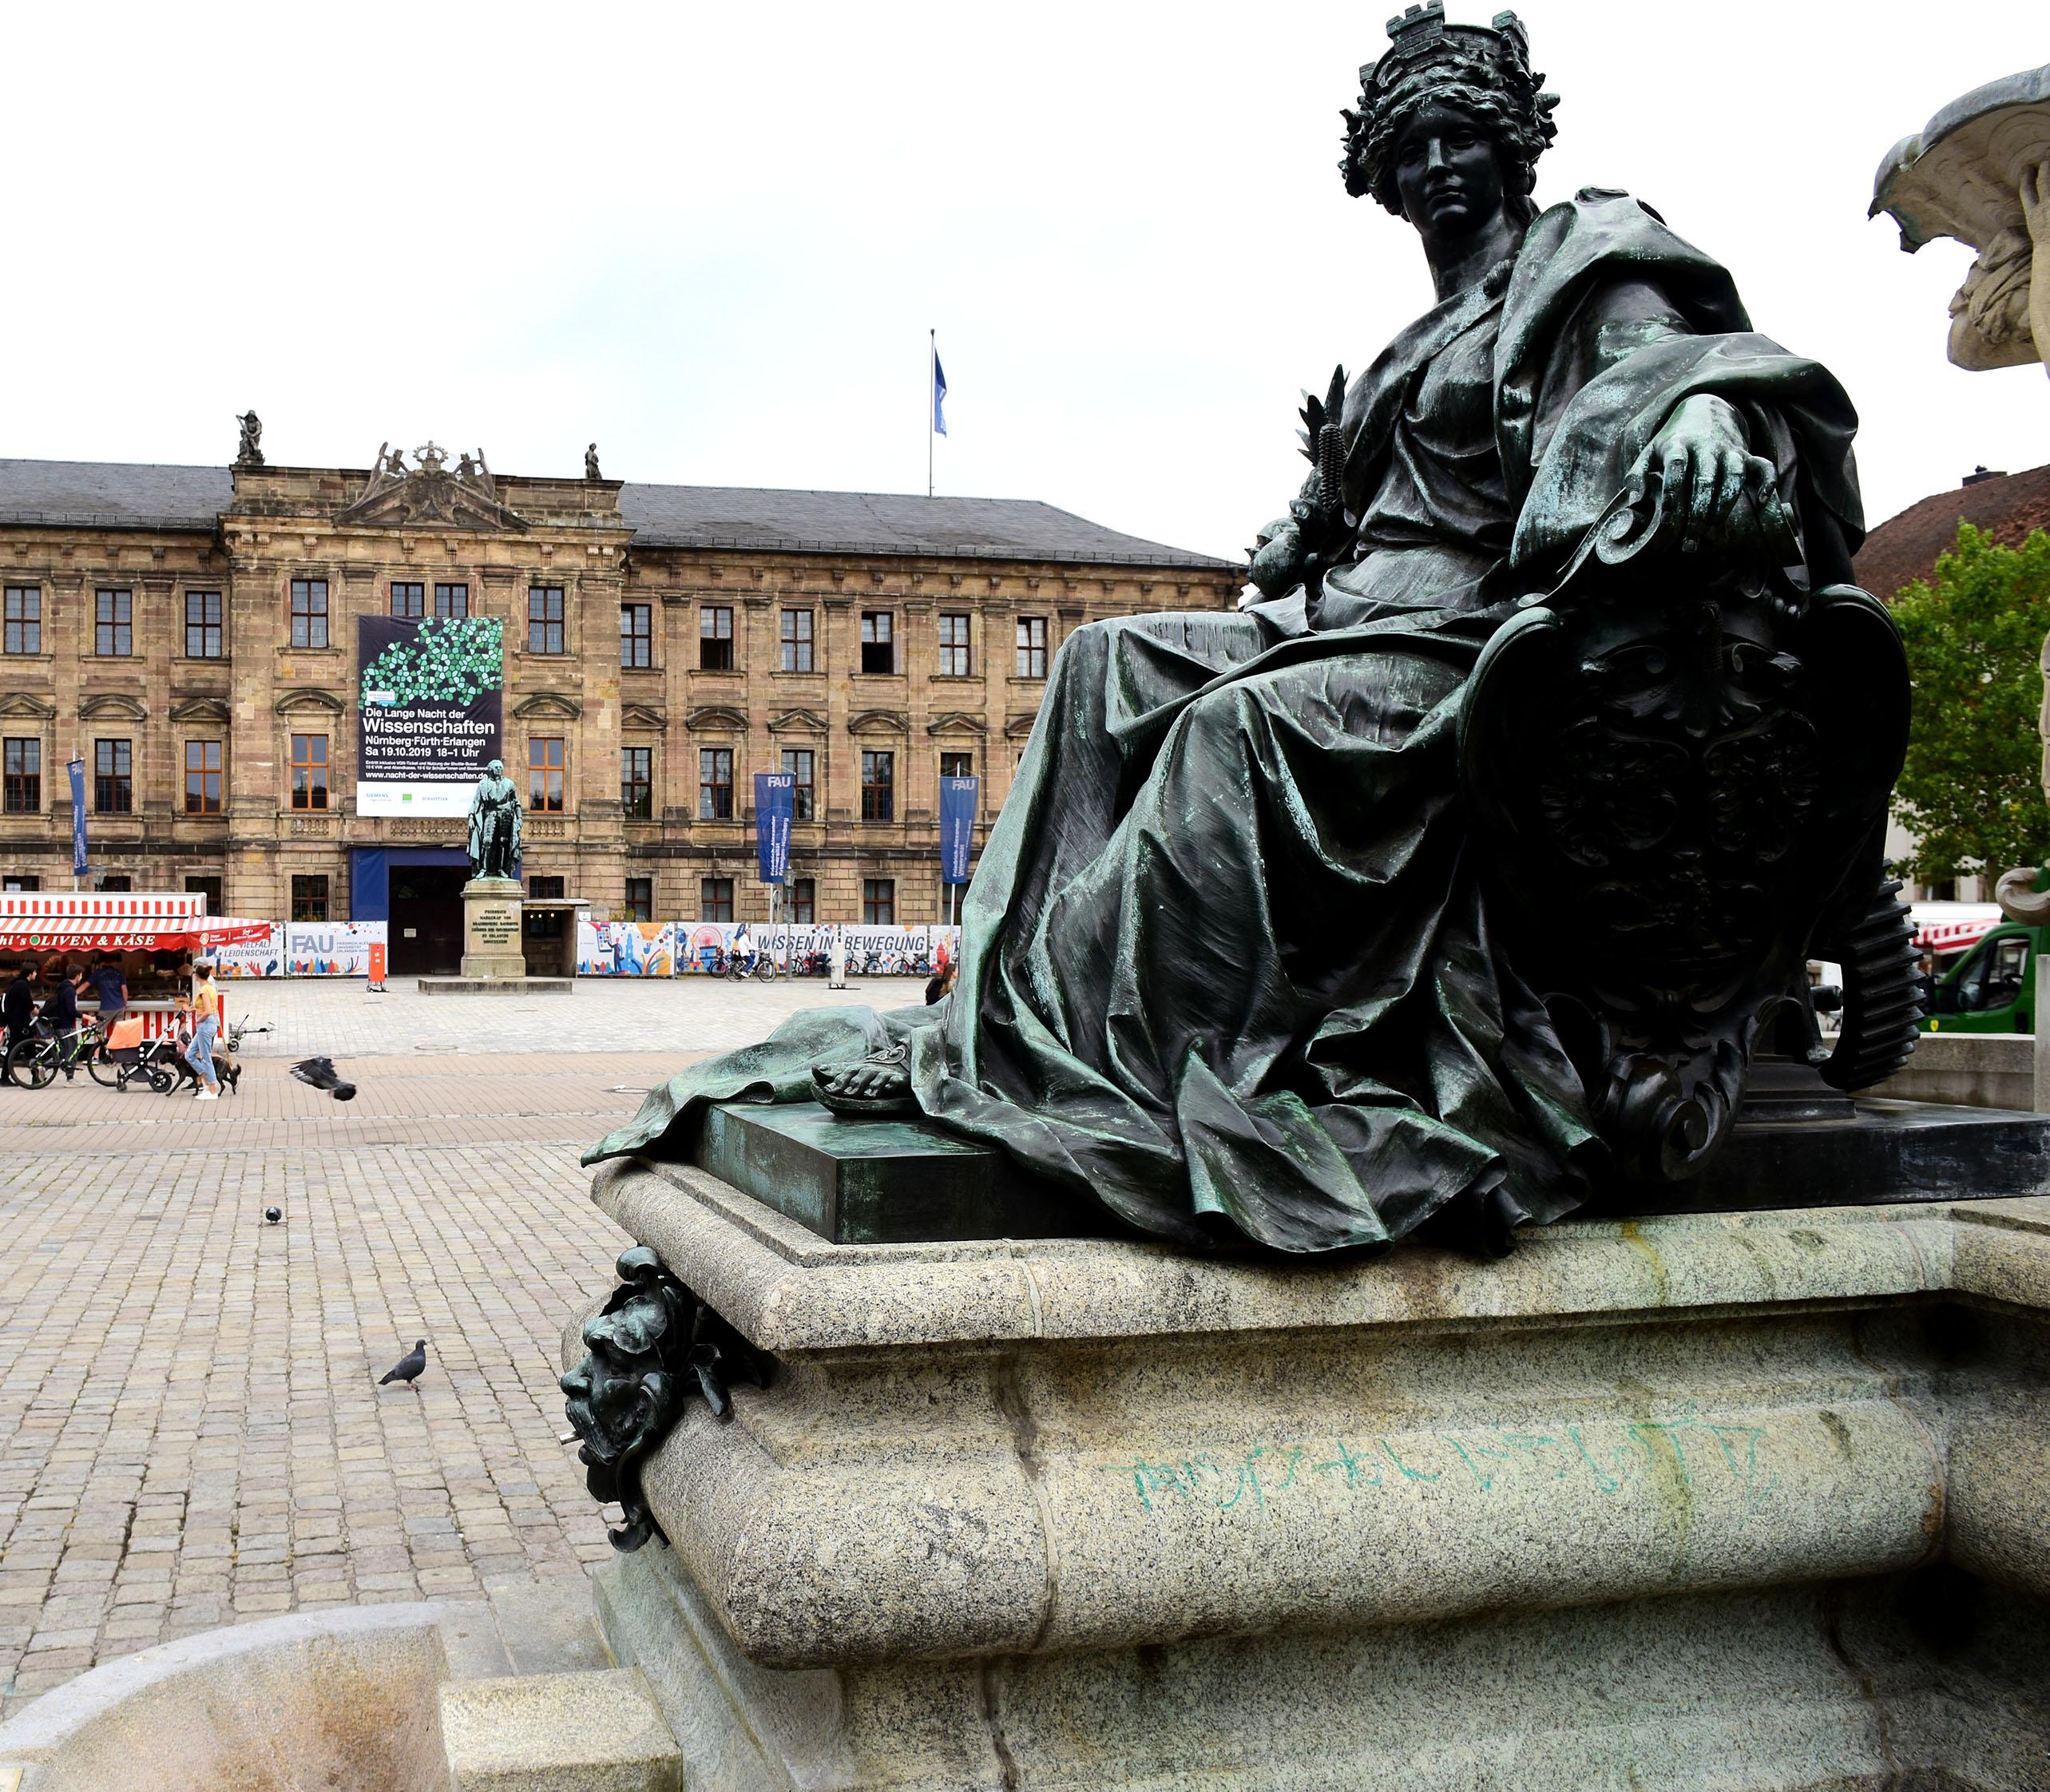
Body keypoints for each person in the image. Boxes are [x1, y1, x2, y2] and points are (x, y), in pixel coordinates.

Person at [592, 7, 1866, 1259]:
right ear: (1377, 169)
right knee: (1098, 662)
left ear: (1509, 145)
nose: (1433, 168)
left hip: (1470, 638)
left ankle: (1107, 1049)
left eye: (1458, 138)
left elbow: (1683, 362)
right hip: (1347, 613)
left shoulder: (1585, 268)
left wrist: (1698, 415)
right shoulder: (1401, 351)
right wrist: (1299, 529)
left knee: (1230, 729)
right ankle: (995, 1011)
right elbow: (1352, 507)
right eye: (1408, 146)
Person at [184, 961, 223, 1098]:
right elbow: (206, 1006)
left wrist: (198, 1020)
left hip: (205, 1024)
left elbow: (207, 1010)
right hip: (209, 1023)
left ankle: (212, 1090)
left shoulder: (204, 990)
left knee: (206, 1058)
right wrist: (192, 1009)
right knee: (189, 1054)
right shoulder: (210, 987)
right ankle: (207, 1082)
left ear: (197, 976)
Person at [0, 961, 37, 1087]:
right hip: (21, 1024)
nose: (36, 974)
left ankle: (4, 1078)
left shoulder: (17, 984)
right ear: (30, 974)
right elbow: (29, 1005)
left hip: (16, 1023)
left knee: (15, 1050)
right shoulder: (22, 985)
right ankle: (36, 1078)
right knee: (29, 1050)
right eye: (35, 972)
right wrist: (40, 1013)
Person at [38, 961, 82, 1080]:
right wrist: (87, 1017)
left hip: (59, 1024)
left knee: (64, 1052)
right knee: (73, 1051)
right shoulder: (70, 990)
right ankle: (70, 1079)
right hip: (66, 1025)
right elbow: (71, 1010)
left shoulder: (63, 987)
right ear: (77, 975)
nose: (81, 978)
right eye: (81, 975)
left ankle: (44, 1068)